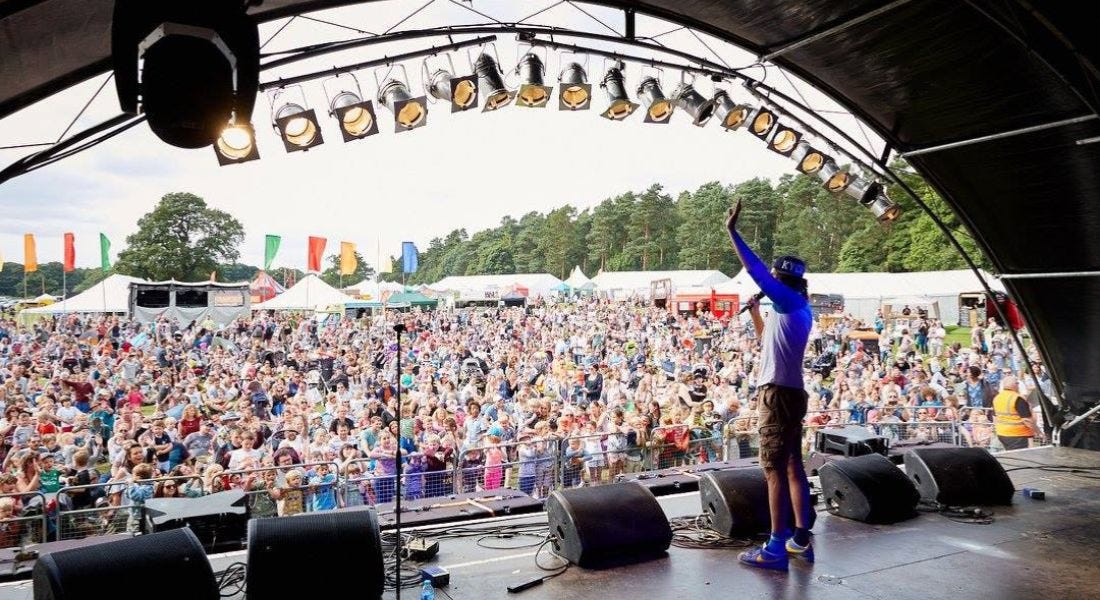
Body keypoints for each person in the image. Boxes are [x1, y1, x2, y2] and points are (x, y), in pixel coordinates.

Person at [727, 200, 814, 571]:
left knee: (773, 470)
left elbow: (755, 271)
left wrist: (733, 232)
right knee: (793, 466)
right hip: (790, 392)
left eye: (774, 278)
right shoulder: (794, 307)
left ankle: (775, 548)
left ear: (781, 278)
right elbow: (768, 342)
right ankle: (800, 541)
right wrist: (755, 313)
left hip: (777, 395)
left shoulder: (790, 300)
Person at [991, 376, 1034, 450]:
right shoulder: (1017, 398)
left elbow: (995, 417)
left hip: (1002, 433)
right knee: (1019, 457)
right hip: (1017, 434)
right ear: (1014, 385)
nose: (1018, 385)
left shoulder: (997, 397)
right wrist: (1036, 431)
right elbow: (1026, 420)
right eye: (1017, 383)